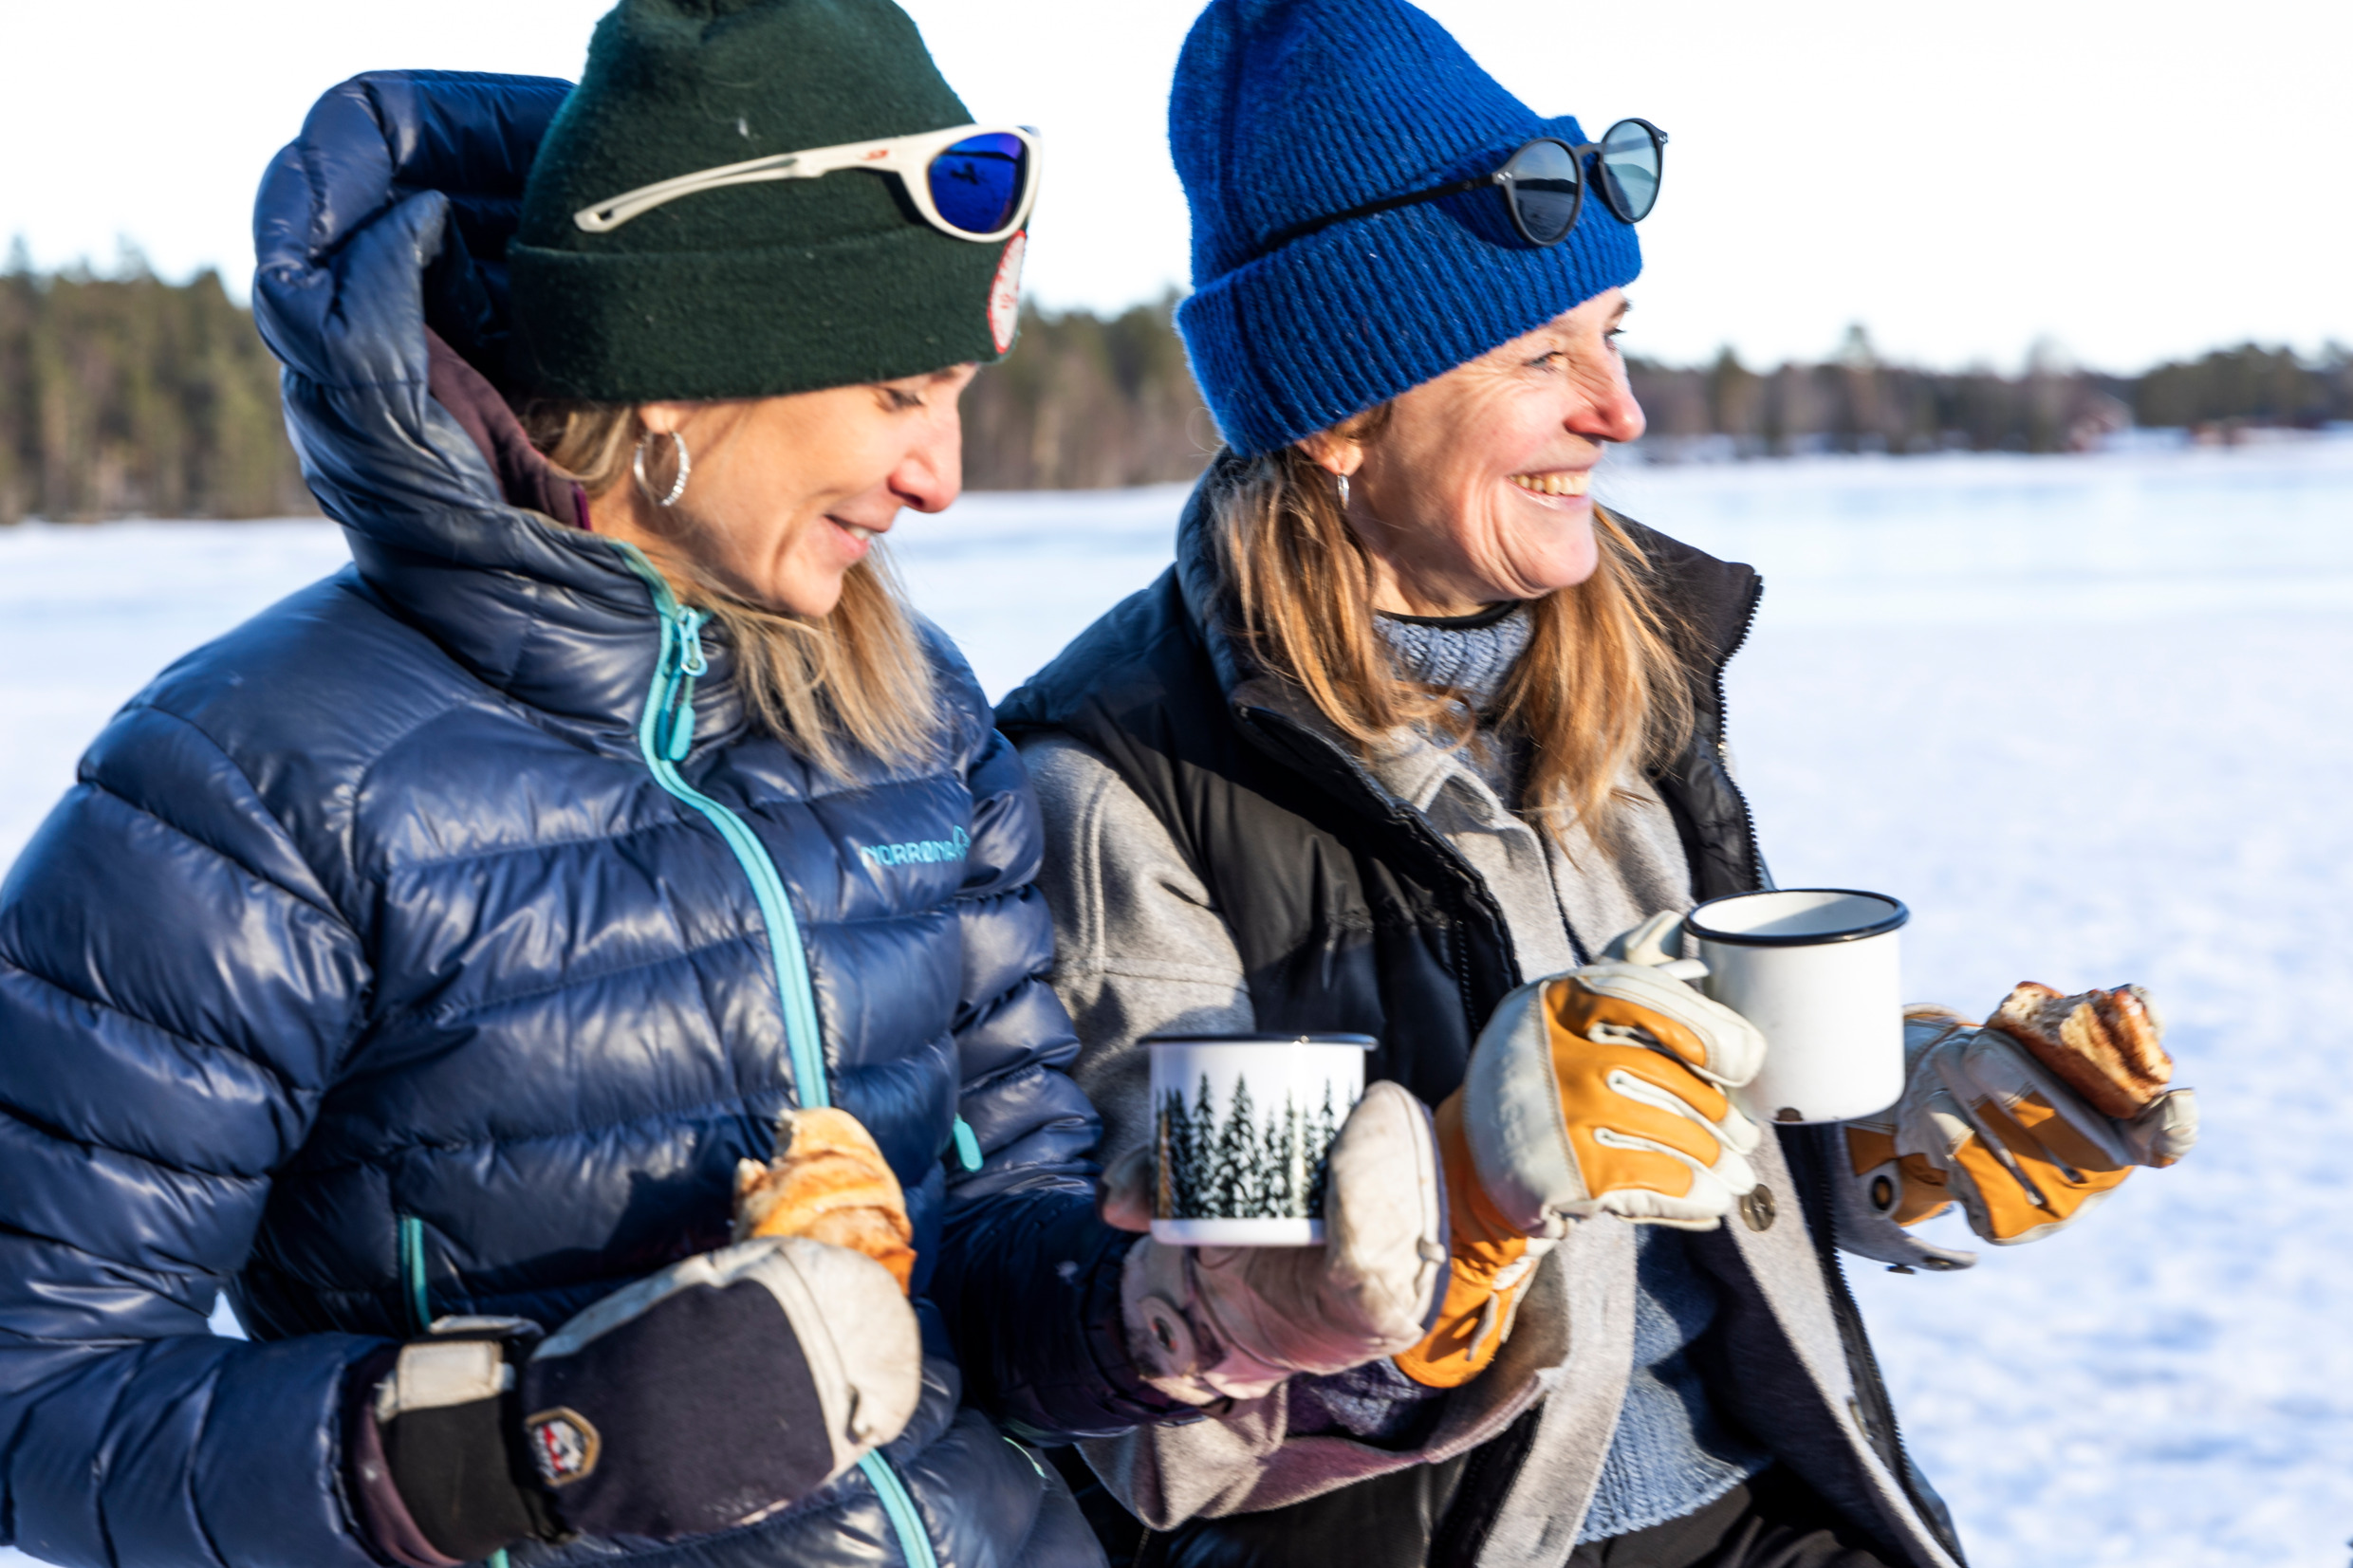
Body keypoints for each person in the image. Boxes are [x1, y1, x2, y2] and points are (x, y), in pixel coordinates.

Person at [0, 4, 1322, 1565]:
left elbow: (993, 1227)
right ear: (680, 376)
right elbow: (43, 1401)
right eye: (899, 392)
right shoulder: (255, 783)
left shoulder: (911, 712)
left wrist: (1181, 1304)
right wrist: (540, 1443)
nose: (941, 476)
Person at [996, 3, 2199, 1566]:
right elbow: (1190, 1384)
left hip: (1772, 1504)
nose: (1620, 411)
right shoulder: (1132, 780)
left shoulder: (1624, 670)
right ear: (1345, 416)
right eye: (1539, 355)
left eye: (1612, 334)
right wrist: (1470, 1191)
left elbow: (1708, 1114)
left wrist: (1917, 1133)